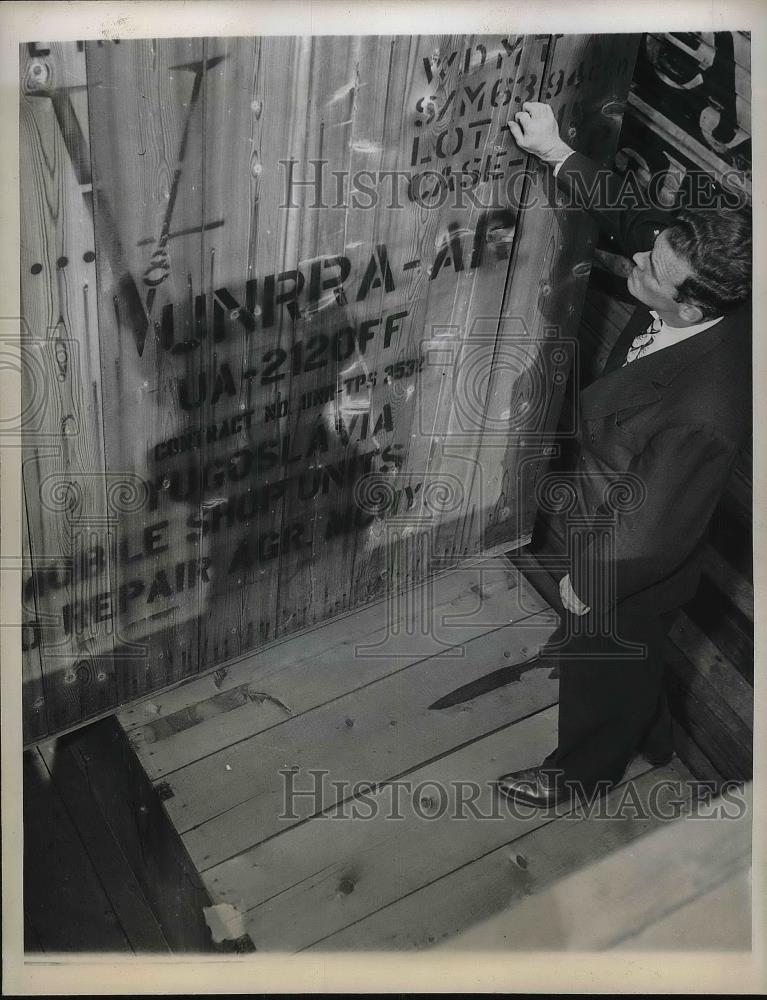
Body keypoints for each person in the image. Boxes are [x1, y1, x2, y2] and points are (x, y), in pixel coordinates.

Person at [496, 102, 752, 809]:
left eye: (647, 270)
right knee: (630, 660)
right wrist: (556, 151)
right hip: (619, 511)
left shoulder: (705, 407)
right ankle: (654, 736)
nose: (634, 259)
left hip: (629, 558)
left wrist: (589, 583)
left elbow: (650, 529)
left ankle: (579, 773)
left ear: (692, 310)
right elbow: (634, 217)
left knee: (599, 655)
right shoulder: (688, 271)